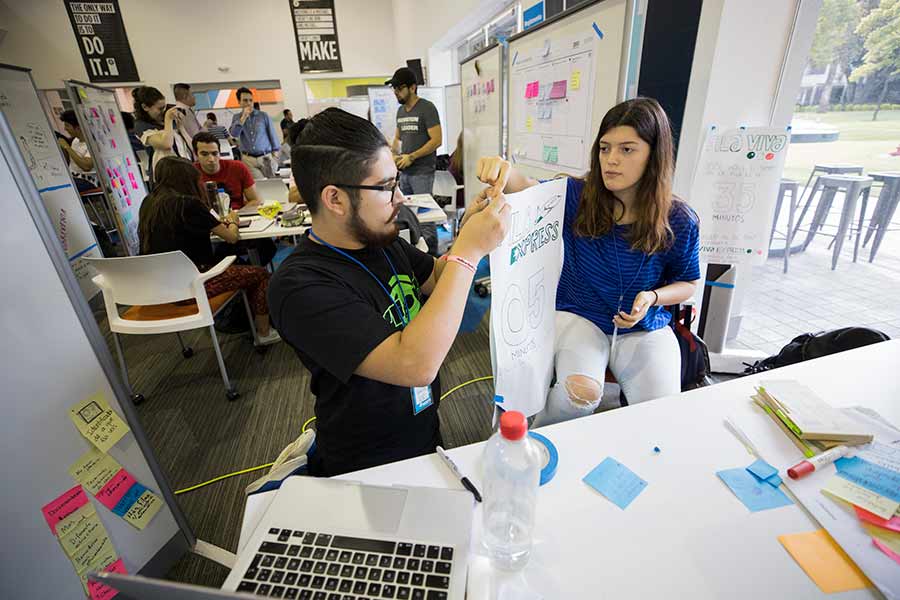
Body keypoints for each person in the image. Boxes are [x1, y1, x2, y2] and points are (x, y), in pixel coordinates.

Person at [267, 108, 510, 476]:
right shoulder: (299, 286)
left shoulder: (380, 240)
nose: (399, 198)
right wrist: (469, 252)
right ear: (335, 199)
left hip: (422, 433)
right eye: (385, 187)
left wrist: (469, 234)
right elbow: (414, 364)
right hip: (366, 463)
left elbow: (437, 276)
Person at [475, 97, 701, 426]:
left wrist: (652, 297)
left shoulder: (679, 219)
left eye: (627, 150)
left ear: (654, 155)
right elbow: (524, 187)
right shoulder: (577, 196)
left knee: (661, 416)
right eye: (605, 148)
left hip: (644, 326)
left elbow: (688, 284)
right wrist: (502, 168)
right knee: (578, 397)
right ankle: (534, 447)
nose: (611, 160)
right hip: (582, 315)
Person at [138, 157, 280, 345]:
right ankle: (264, 333)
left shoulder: (148, 203)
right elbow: (231, 237)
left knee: (233, 261)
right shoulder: (188, 204)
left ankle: (246, 317)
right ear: (188, 178)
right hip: (193, 284)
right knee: (261, 274)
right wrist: (233, 221)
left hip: (161, 286)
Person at [132, 86, 193, 177]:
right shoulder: (141, 125)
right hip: (166, 174)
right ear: (145, 107)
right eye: (160, 109)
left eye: (164, 107)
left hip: (185, 167)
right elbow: (166, 144)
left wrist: (181, 127)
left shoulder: (167, 120)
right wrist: (168, 119)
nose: (163, 111)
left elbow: (192, 146)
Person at [192, 131, 260, 211]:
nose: (211, 159)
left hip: (237, 216)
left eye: (215, 153)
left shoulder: (238, 167)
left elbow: (255, 200)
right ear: (196, 154)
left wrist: (237, 214)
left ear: (219, 153)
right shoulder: (190, 173)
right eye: (204, 154)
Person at [229, 87, 280, 180]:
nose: (248, 103)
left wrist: (275, 156)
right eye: (245, 100)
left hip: (266, 158)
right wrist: (243, 117)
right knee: (259, 186)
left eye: (250, 100)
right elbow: (234, 133)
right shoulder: (237, 117)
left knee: (272, 184)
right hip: (248, 160)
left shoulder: (263, 116)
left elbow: (272, 134)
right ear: (239, 102)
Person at [57, 109, 98, 192]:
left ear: (78, 128)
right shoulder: (75, 141)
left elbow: (86, 166)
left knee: (62, 187)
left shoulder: (92, 143)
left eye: (67, 125)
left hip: (87, 180)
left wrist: (67, 147)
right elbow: (70, 161)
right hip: (73, 177)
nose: (65, 129)